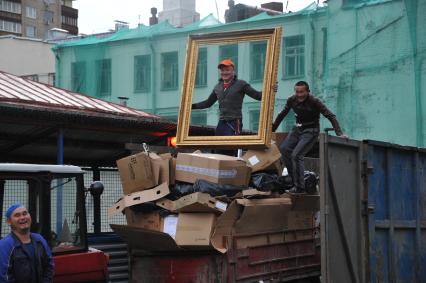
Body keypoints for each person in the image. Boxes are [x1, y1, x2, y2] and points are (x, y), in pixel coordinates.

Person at [272, 81, 347, 194]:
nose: (299, 94)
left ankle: (300, 188)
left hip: (311, 131)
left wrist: (339, 133)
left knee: (296, 155)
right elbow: (282, 114)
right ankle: (295, 181)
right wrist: (272, 129)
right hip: (297, 129)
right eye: (297, 92)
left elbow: (330, 115)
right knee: (284, 149)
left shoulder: (314, 101)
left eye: (302, 92)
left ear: (307, 91)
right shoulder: (291, 100)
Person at [192, 58, 264, 136]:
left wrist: (271, 89)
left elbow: (258, 96)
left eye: (227, 70)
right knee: (218, 146)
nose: (224, 72)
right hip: (222, 122)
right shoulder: (217, 87)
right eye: (222, 70)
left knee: (231, 146)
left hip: (234, 122)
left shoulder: (241, 84)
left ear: (233, 72)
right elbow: (207, 103)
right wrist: (190, 106)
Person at [0, 203, 54, 283]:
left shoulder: (39, 240)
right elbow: (5, 277)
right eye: (17, 215)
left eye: (25, 213)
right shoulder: (5, 245)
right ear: (9, 221)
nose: (22, 217)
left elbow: (49, 266)